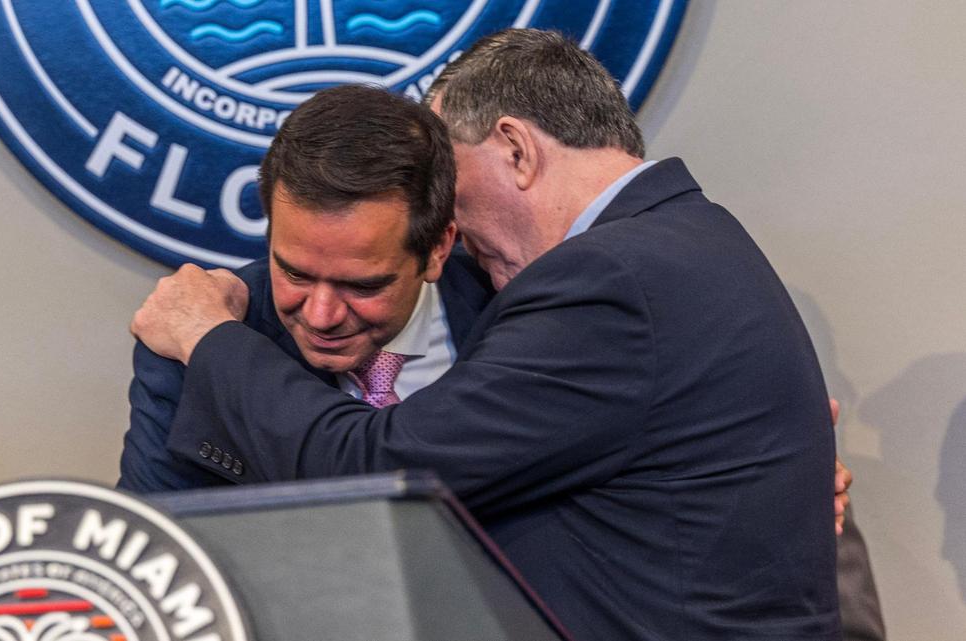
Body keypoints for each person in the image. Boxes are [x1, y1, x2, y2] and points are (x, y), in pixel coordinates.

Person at [131, 29, 841, 639]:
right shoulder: (693, 238)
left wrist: (210, 338)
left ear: (516, 150)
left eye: (456, 187)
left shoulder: (606, 279)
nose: (459, 220)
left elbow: (377, 470)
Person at [118, 84, 493, 492]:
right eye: (295, 274)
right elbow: (153, 534)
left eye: (362, 285)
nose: (321, 316)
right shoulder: (189, 339)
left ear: (437, 248)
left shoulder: (510, 310)